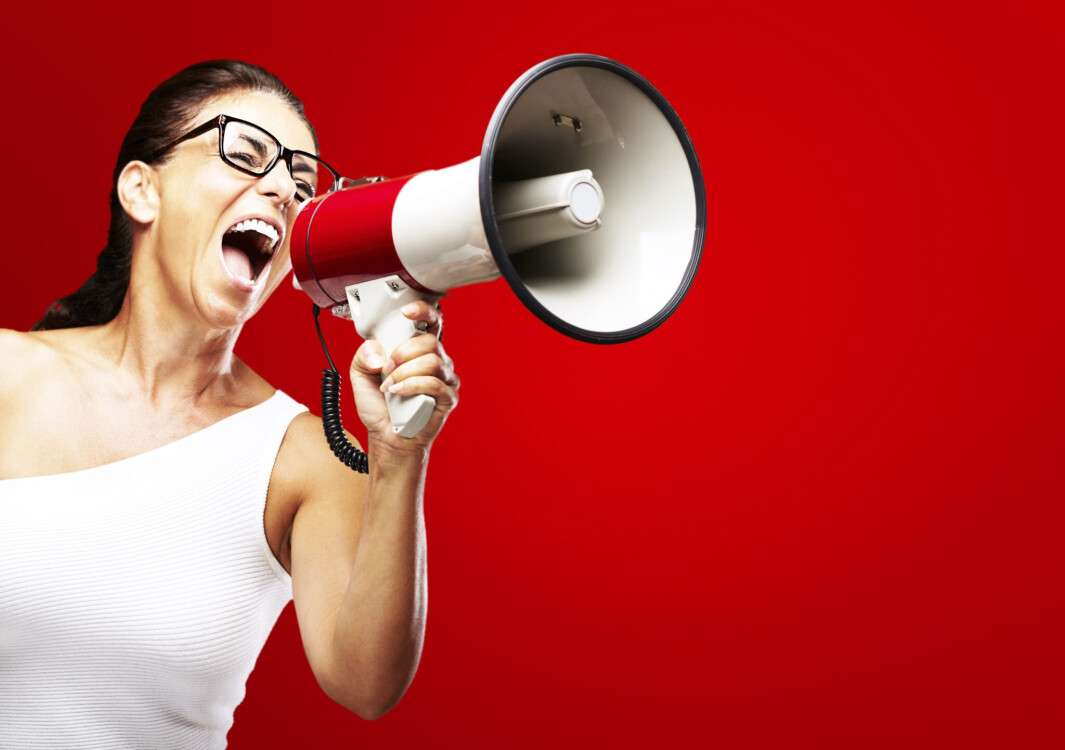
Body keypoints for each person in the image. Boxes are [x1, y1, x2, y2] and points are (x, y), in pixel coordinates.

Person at [0, 60, 459, 747]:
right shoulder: (10, 375)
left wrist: (398, 456)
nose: (280, 188)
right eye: (244, 155)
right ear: (141, 190)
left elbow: (365, 685)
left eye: (302, 184)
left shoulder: (304, 458)